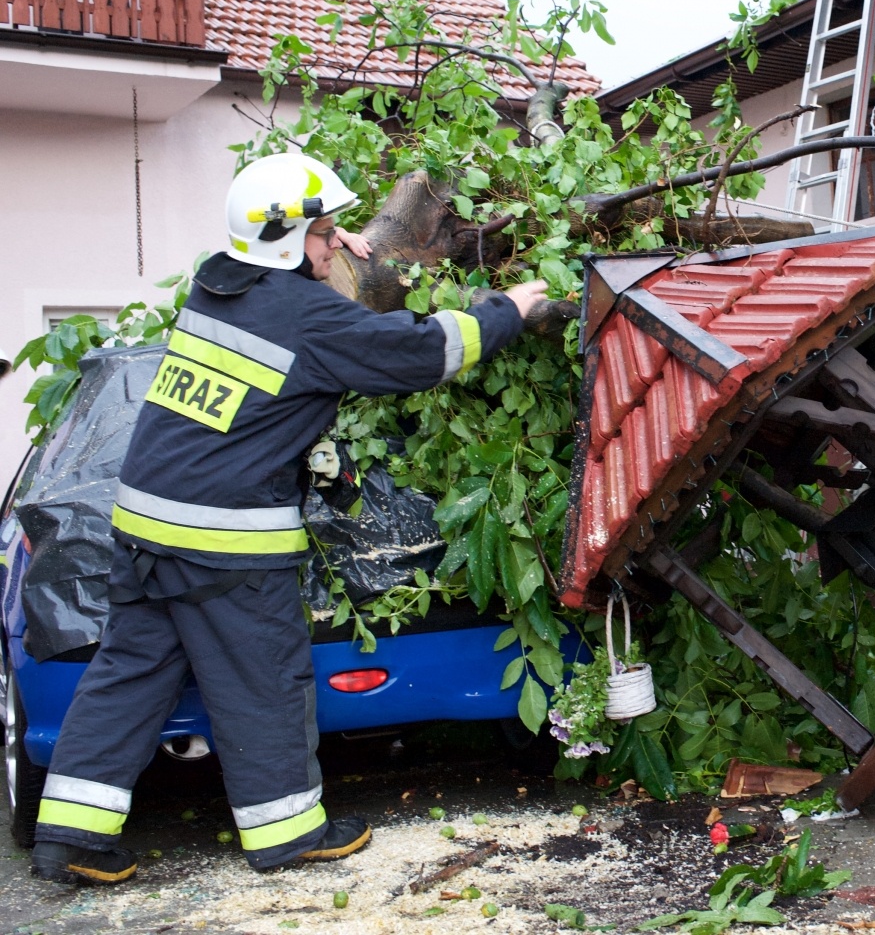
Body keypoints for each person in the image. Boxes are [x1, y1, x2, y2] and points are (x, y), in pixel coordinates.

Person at [30, 153, 547, 885]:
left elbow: (289, 302)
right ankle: (287, 834)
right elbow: (420, 352)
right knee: (265, 677)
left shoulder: (215, 283)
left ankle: (68, 838)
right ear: (284, 241)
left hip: (146, 522)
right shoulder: (307, 316)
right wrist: (508, 311)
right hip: (223, 539)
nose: (336, 241)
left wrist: (336, 257)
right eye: (325, 232)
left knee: (129, 672)